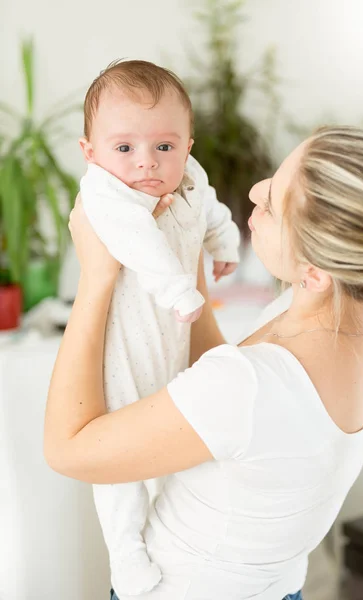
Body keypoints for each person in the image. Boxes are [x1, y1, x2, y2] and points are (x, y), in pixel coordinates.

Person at [45, 126, 363, 600]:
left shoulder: (253, 384)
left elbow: (68, 450)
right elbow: (230, 402)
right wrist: (185, 248)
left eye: (271, 204)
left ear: (314, 272)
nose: (254, 191)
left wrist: (96, 275)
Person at [76, 59, 240, 599]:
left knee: (174, 459)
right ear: (91, 152)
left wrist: (224, 245)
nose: (146, 163)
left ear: (188, 144)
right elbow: (139, 243)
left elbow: (210, 210)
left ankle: (171, 535)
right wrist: (179, 290)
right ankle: (125, 554)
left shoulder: (190, 180)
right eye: (124, 148)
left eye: (165, 147)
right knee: (118, 463)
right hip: (119, 355)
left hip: (171, 348)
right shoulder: (104, 193)